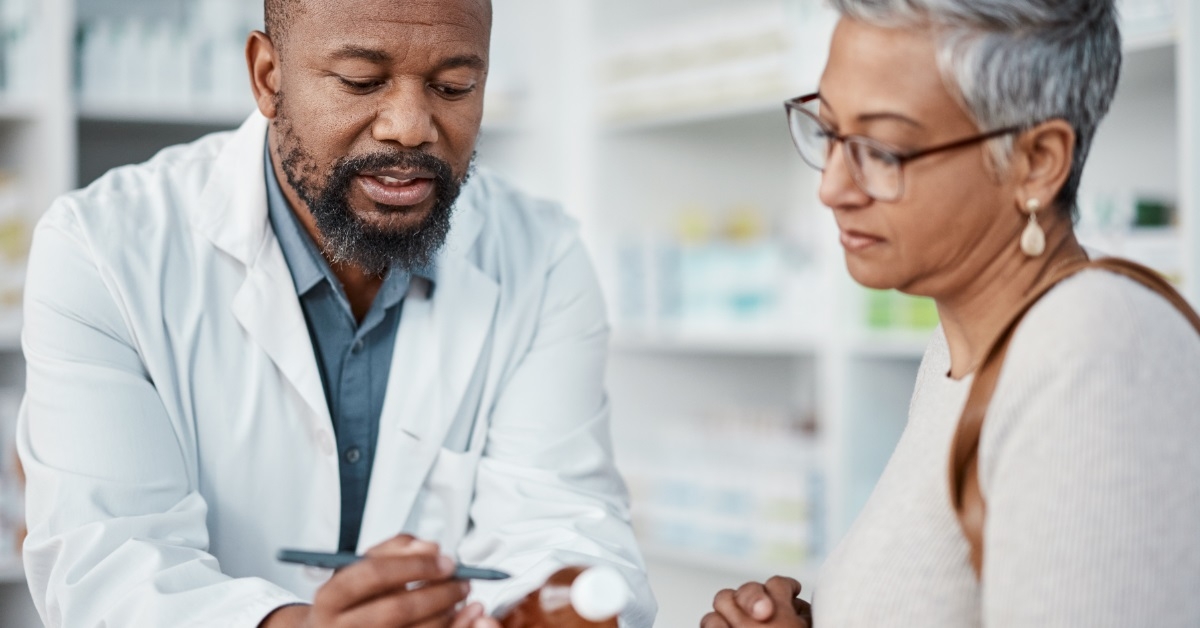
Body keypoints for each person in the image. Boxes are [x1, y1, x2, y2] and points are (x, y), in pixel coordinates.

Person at [16, 1, 657, 626]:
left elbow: (562, 521)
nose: (410, 126)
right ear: (268, 78)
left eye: (454, 86)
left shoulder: (543, 256)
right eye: (360, 81)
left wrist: (556, 605)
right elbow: (104, 566)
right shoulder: (102, 249)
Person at [704, 1, 1200, 626]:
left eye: (882, 150)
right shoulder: (960, 347)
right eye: (828, 131)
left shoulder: (1095, 349)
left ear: (1037, 160)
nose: (831, 188)